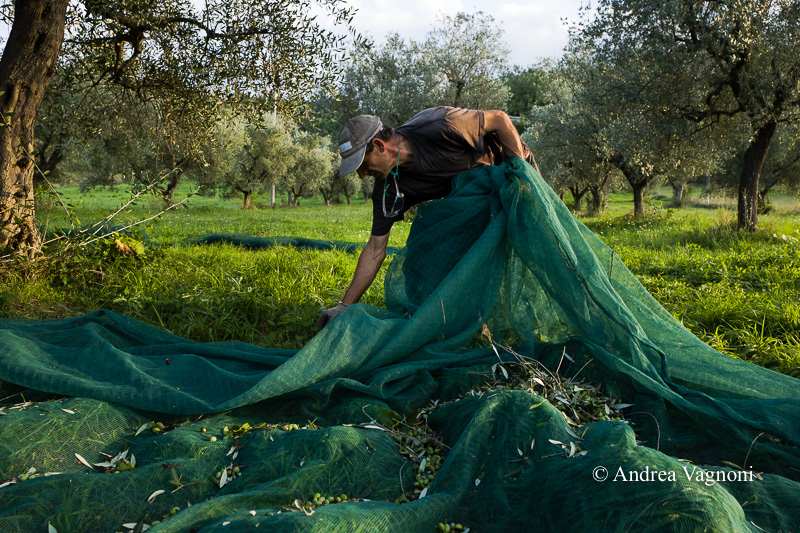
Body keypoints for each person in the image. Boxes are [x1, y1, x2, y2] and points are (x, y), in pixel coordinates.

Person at [317, 106, 537, 331]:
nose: (362, 175)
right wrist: (344, 306)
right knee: (425, 255)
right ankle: (469, 322)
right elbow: (375, 249)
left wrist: (520, 174)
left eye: (363, 165)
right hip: (472, 203)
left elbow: (500, 119)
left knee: (536, 247)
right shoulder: (388, 189)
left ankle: (535, 321)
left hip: (512, 174)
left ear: (379, 146)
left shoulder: (442, 125)